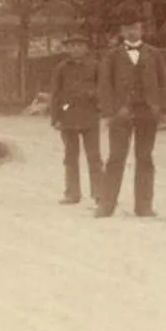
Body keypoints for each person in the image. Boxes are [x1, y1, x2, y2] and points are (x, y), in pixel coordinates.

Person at [95, 18, 166, 218]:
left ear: (142, 30)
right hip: (121, 113)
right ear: (121, 30)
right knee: (116, 158)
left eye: (135, 28)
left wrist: (161, 108)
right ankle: (106, 205)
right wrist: (112, 111)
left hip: (147, 112)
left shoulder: (154, 54)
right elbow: (104, 85)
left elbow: (164, 82)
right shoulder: (112, 56)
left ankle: (144, 206)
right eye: (127, 28)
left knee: (145, 158)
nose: (132, 32)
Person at [48, 34, 104, 205]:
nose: (76, 49)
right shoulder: (61, 68)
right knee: (70, 156)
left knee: (94, 156)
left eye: (80, 45)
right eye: (72, 46)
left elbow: (103, 88)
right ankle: (72, 193)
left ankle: (99, 193)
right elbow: (56, 94)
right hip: (68, 115)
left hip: (90, 116)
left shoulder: (96, 66)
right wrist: (56, 117)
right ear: (66, 49)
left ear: (86, 48)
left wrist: (96, 99)